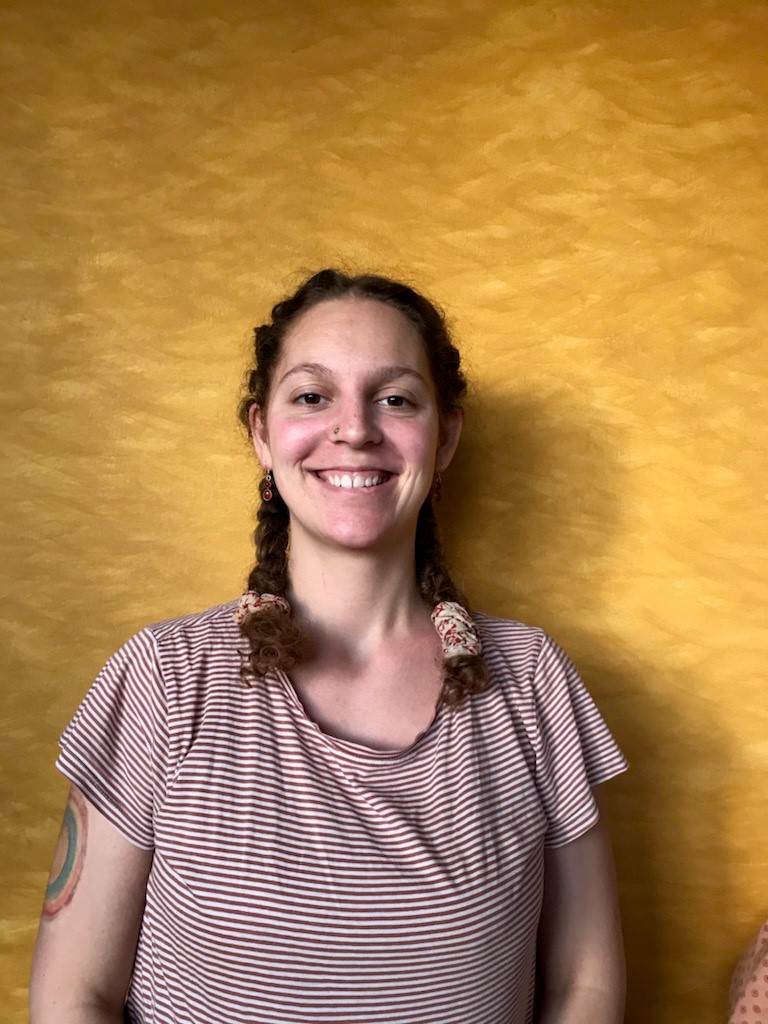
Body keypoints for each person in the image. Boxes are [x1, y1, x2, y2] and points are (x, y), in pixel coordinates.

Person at [30, 269, 628, 1024]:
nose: (355, 429)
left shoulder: (533, 679)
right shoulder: (164, 678)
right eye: (313, 396)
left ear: (444, 436)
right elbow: (72, 995)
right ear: (262, 433)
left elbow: (585, 983)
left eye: (396, 399)